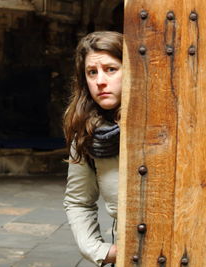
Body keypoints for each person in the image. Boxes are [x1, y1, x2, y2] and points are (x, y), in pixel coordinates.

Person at [63, 31, 122, 266]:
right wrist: (98, 250)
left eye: (111, 69)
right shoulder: (86, 133)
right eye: (92, 72)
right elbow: (78, 201)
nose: (100, 81)